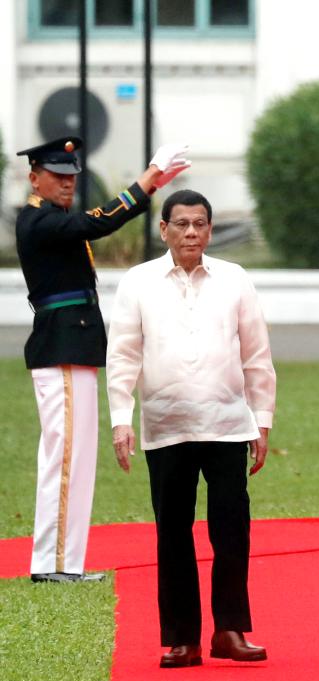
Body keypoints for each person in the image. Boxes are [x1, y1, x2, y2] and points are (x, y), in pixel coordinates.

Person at [106, 189, 276, 668]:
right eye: (180, 224)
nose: (191, 233)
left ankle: (230, 630)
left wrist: (261, 421)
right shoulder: (138, 283)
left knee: (232, 530)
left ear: (210, 229)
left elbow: (256, 354)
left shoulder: (234, 279)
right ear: (163, 229)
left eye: (200, 224)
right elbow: (122, 356)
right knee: (172, 533)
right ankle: (182, 638)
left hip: (226, 424)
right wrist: (122, 419)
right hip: (165, 425)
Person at [15, 136, 190, 583]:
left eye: (71, 176)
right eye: (57, 176)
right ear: (34, 177)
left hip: (72, 349)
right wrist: (149, 180)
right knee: (65, 457)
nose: (68, 183)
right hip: (61, 350)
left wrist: (151, 185)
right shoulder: (38, 221)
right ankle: (53, 564)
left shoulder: (52, 219)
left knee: (74, 457)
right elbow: (99, 223)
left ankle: (64, 562)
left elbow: (91, 223)